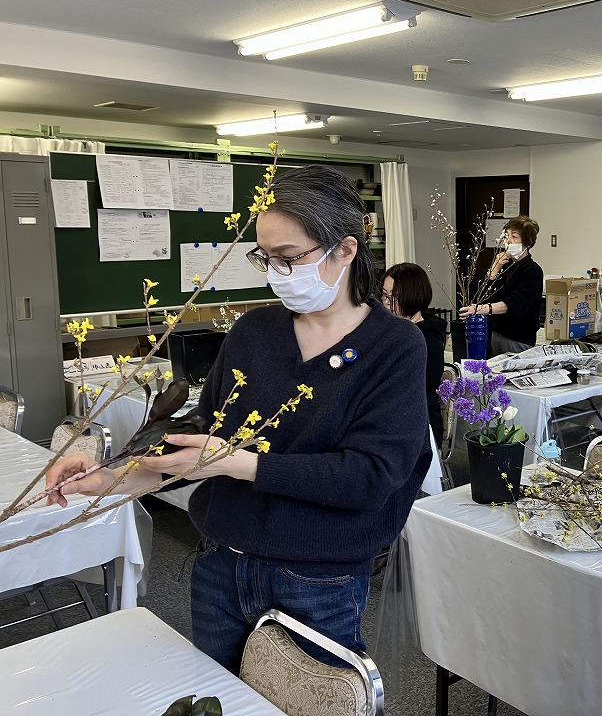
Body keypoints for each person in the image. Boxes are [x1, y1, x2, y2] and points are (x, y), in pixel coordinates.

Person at [46, 165, 432, 672]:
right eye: (266, 258)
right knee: (221, 699)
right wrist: (108, 474)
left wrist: (239, 464)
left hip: (318, 577)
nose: (276, 272)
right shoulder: (255, 331)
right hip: (222, 565)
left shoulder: (395, 346)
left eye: (290, 258)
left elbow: (370, 478)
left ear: (346, 249)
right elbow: (200, 441)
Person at [382, 262, 447, 446]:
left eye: (394, 297)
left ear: (413, 297)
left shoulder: (428, 339)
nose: (386, 303)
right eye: (385, 296)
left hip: (418, 424)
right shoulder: (392, 327)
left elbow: (412, 386)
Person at [458, 215, 543, 355]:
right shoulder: (505, 266)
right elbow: (480, 296)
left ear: (527, 242)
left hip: (518, 339)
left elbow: (514, 304)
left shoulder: (532, 271)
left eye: (514, 237)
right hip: (496, 333)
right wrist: (494, 270)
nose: (509, 240)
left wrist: (480, 310)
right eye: (507, 236)